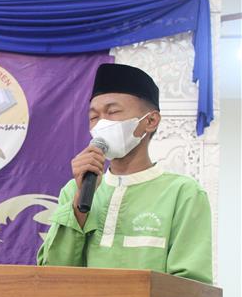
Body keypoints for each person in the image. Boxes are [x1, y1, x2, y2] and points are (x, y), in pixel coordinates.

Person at [37, 63, 213, 284]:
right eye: (94, 117)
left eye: (112, 112)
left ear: (150, 121)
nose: (101, 124)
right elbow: (52, 276)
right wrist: (78, 208)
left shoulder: (183, 193)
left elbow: (190, 287)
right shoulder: (75, 190)